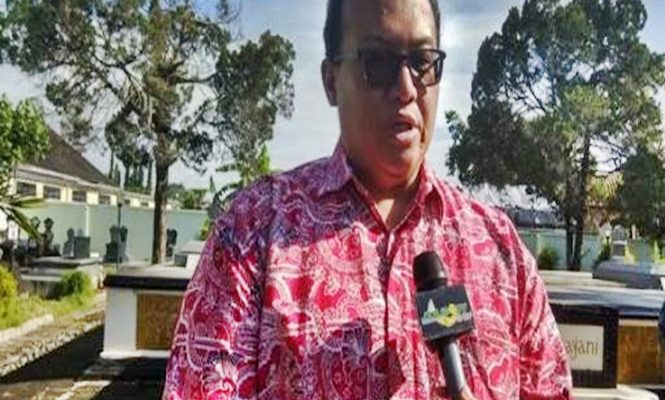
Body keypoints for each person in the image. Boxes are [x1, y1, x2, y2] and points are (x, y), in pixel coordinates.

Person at [162, 0, 572, 398]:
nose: (406, 88)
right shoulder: (253, 232)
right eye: (377, 62)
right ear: (331, 80)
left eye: (422, 61)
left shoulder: (502, 251)